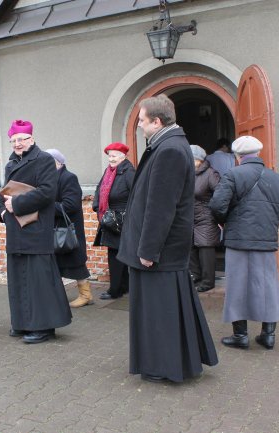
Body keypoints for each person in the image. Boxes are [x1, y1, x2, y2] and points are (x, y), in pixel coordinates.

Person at [117, 95, 218, 383]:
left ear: (157, 121)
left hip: (157, 251)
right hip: (160, 250)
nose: (139, 126)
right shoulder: (168, 145)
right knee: (163, 309)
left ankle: (164, 365)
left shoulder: (170, 150)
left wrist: (148, 249)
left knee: (160, 312)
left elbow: (161, 207)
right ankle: (168, 361)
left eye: (141, 121)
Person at [209, 135, 279, 350]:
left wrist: (224, 222)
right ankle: (268, 335)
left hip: (238, 239)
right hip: (266, 240)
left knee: (238, 286)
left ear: (237, 156)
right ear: (258, 153)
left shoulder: (233, 175)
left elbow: (217, 206)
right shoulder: (275, 177)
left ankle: (240, 336)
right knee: (268, 286)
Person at [0, 120, 72, 344]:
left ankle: (44, 327)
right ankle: (22, 322)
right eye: (13, 140)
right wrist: (2, 212)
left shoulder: (44, 160)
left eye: (22, 139)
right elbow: (3, 192)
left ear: (31, 139)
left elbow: (48, 193)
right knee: (19, 279)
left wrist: (16, 205)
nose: (17, 144)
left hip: (36, 230)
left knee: (39, 281)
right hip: (15, 230)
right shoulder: (10, 164)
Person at [45, 149, 92, 308]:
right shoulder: (48, 179)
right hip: (54, 228)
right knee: (55, 263)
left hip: (68, 229)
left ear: (57, 162)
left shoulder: (68, 177)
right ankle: (56, 295)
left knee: (76, 263)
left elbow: (70, 205)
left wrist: (45, 206)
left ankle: (86, 295)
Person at [92, 142, 135, 300]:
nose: (111, 158)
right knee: (116, 253)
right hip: (110, 218)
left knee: (115, 254)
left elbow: (136, 195)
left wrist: (128, 215)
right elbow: (99, 188)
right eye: (109, 155)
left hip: (121, 219)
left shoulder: (129, 172)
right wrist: (97, 206)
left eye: (114, 155)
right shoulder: (109, 171)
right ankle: (124, 286)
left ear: (123, 156)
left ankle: (115, 290)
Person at [189, 145, 221, 293]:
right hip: (189, 217)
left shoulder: (210, 174)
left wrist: (216, 214)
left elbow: (220, 195)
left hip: (206, 217)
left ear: (199, 159)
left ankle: (208, 281)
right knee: (191, 247)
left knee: (205, 247)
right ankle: (195, 275)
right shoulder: (186, 173)